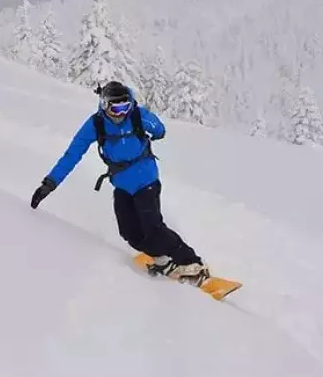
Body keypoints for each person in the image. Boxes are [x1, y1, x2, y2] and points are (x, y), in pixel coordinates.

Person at [30, 80, 210, 284]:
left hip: (146, 180)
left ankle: (193, 263)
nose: (121, 113)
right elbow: (72, 154)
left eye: (125, 106)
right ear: (105, 105)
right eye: (116, 108)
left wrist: (150, 124)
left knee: (153, 228)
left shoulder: (137, 115)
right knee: (129, 233)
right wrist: (50, 183)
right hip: (122, 185)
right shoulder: (95, 124)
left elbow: (160, 131)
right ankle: (162, 259)